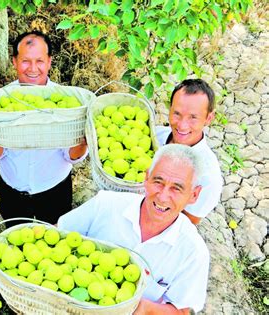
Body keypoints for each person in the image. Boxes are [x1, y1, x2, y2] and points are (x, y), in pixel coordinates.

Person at [58, 144, 210, 314]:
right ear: (146, 178)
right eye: (158, 182)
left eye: (176, 188)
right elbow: (56, 234)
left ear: (194, 195)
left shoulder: (194, 252)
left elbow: (182, 310)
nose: (163, 196)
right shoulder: (105, 204)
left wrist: (143, 308)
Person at [0, 31, 88, 227]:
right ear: (14, 61)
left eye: (39, 61)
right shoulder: (2, 101)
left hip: (54, 190)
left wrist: (82, 141)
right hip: (13, 191)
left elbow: (72, 157)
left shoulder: (66, 102)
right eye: (25, 61)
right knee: (15, 244)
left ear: (49, 62)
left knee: (54, 245)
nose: (32, 69)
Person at [156, 79, 223, 224]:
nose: (182, 125)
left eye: (193, 117)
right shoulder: (155, 135)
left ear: (208, 118)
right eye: (177, 114)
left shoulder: (208, 177)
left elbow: (187, 222)